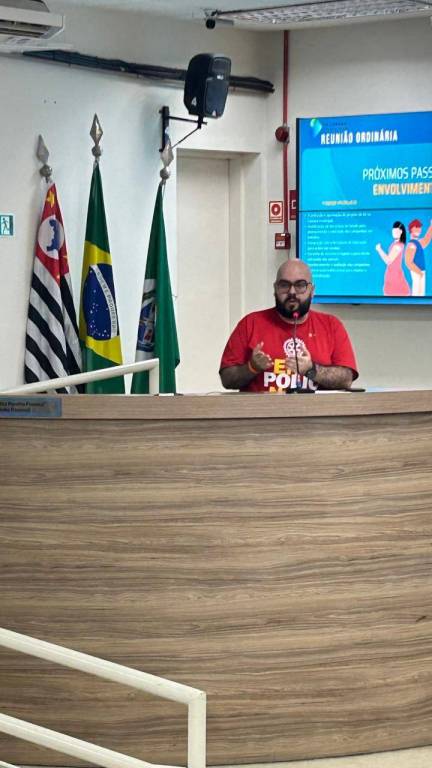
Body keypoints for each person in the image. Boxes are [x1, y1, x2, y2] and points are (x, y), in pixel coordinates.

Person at [219, 259, 358, 393]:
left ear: (312, 290)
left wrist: (312, 370)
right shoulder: (250, 324)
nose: (292, 292)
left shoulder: (331, 326)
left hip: (315, 409)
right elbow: (226, 379)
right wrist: (251, 368)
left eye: (300, 285)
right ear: (275, 289)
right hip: (262, 409)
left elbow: (346, 378)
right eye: (284, 285)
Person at [375, 221, 410, 297]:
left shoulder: (398, 245)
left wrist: (379, 249)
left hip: (395, 277)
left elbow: (388, 260)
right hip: (391, 275)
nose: (394, 233)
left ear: (401, 232)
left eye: (396, 231)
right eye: (393, 231)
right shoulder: (395, 243)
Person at [405, 218, 432, 297]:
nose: (419, 230)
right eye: (416, 227)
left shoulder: (418, 242)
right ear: (411, 229)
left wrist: (431, 226)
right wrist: (419, 272)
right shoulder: (411, 245)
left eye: (419, 227)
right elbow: (408, 262)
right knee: (417, 293)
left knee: (421, 293)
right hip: (417, 272)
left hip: (421, 271)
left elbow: (426, 240)